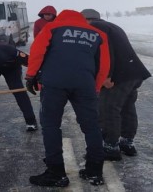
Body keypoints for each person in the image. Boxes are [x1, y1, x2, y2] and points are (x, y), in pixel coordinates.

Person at [25, 10, 110, 187]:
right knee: (91, 126)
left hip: (54, 83)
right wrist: (95, 86)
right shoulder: (98, 34)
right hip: (84, 84)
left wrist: (31, 76)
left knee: (51, 125)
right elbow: (103, 64)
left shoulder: (52, 28)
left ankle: (56, 173)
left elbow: (37, 51)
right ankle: (94, 171)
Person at [81, 9, 152, 161]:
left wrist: (106, 76)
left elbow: (106, 52)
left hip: (117, 77)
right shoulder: (113, 26)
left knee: (108, 109)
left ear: (86, 19)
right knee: (127, 108)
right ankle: (127, 143)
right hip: (134, 73)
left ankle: (110, 147)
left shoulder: (96, 28)